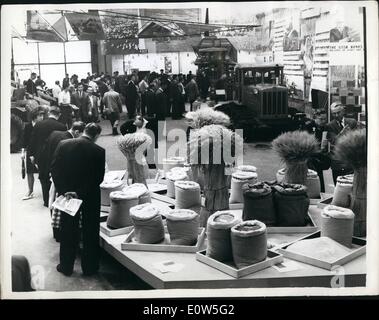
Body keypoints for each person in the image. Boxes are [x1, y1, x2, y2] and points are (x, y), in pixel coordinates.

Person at [51, 123, 105, 276]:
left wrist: (65, 191)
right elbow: (98, 178)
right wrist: (79, 193)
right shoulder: (99, 151)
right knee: (90, 230)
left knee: (68, 230)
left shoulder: (63, 145)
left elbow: (54, 169)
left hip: (67, 196)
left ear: (84, 131)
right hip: (90, 196)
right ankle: (90, 268)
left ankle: (66, 266)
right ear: (96, 135)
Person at [46, 121, 85, 241]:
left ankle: (56, 232)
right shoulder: (68, 142)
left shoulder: (56, 134)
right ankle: (60, 233)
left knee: (52, 203)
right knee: (59, 205)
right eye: (81, 134)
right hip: (60, 177)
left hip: (54, 173)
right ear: (76, 131)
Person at [29, 106, 66, 207]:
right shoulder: (62, 126)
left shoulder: (39, 124)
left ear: (49, 113)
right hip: (56, 155)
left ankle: (46, 200)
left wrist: (32, 155)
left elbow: (33, 140)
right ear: (59, 115)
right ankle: (55, 199)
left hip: (40, 155)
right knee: (56, 175)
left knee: (43, 177)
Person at [325, 102, 357, 183]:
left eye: (338, 113)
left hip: (351, 161)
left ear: (343, 111)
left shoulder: (352, 122)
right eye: (334, 114)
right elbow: (335, 141)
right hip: (337, 163)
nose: (336, 115)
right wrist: (343, 132)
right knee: (339, 187)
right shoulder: (329, 126)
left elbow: (358, 139)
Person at [21, 107, 45, 200]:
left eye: (43, 115)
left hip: (40, 152)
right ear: (34, 117)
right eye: (40, 115)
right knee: (30, 172)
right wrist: (23, 153)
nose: (42, 117)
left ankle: (46, 191)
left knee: (43, 171)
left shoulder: (43, 126)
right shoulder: (28, 126)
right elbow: (24, 140)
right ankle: (30, 191)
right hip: (30, 151)